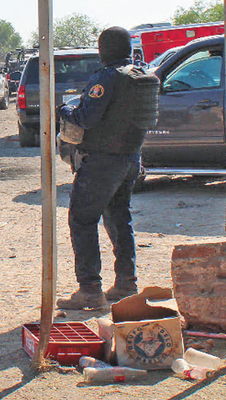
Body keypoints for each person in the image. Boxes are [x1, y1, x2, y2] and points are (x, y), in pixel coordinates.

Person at [55, 26, 159, 310]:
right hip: (130, 158)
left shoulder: (106, 77)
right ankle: (126, 283)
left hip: (102, 160)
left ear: (103, 50)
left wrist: (64, 110)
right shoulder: (141, 75)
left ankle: (89, 290)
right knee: (119, 216)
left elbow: (85, 119)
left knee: (82, 219)